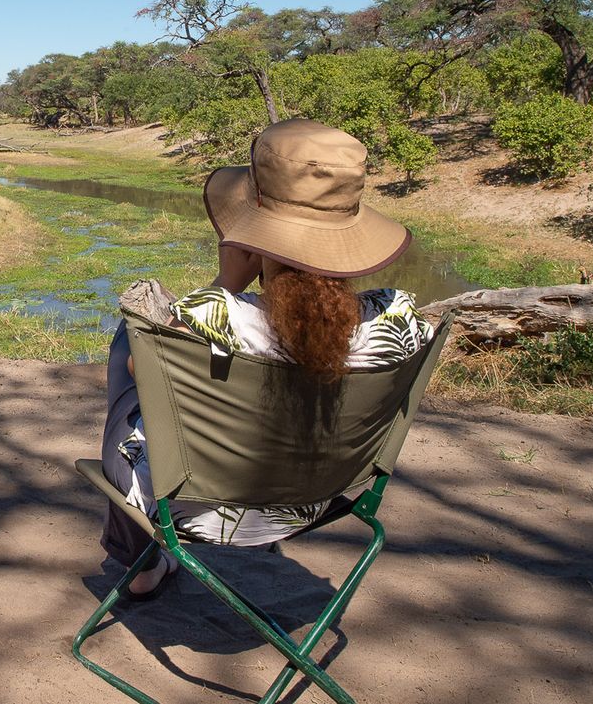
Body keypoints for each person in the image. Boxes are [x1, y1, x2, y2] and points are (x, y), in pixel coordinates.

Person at [100, 118, 433, 598]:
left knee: (128, 355)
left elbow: (144, 376)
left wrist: (228, 280)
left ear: (255, 216)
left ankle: (143, 561)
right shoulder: (399, 317)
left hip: (204, 511)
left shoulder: (214, 317)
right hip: (325, 501)